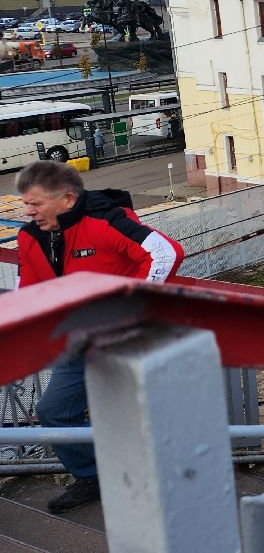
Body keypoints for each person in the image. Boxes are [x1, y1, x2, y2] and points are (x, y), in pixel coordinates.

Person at [20, 162, 184, 513]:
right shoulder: (31, 237)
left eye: (36, 204)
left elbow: (165, 252)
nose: (29, 211)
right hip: (78, 341)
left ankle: (164, 482)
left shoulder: (105, 221)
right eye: (26, 204)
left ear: (66, 200)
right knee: (55, 412)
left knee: (134, 412)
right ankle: (93, 476)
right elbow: (29, 291)